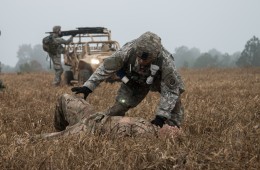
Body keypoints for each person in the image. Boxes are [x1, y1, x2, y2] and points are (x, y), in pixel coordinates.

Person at [71, 31, 185, 129]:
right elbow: (106, 67)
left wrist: (161, 116)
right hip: (134, 81)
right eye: (139, 57)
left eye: (145, 60)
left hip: (158, 81)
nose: (141, 61)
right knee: (119, 107)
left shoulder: (166, 62)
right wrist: (88, 86)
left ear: (155, 55)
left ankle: (171, 130)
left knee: (174, 104)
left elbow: (170, 91)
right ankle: (102, 125)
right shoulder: (127, 51)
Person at [36, 93, 181, 139]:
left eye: (174, 132)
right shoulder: (150, 126)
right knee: (65, 98)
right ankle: (63, 127)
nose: (172, 127)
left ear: (166, 139)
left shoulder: (146, 137)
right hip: (95, 116)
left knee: (46, 139)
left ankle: (64, 132)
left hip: (90, 128)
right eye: (173, 127)